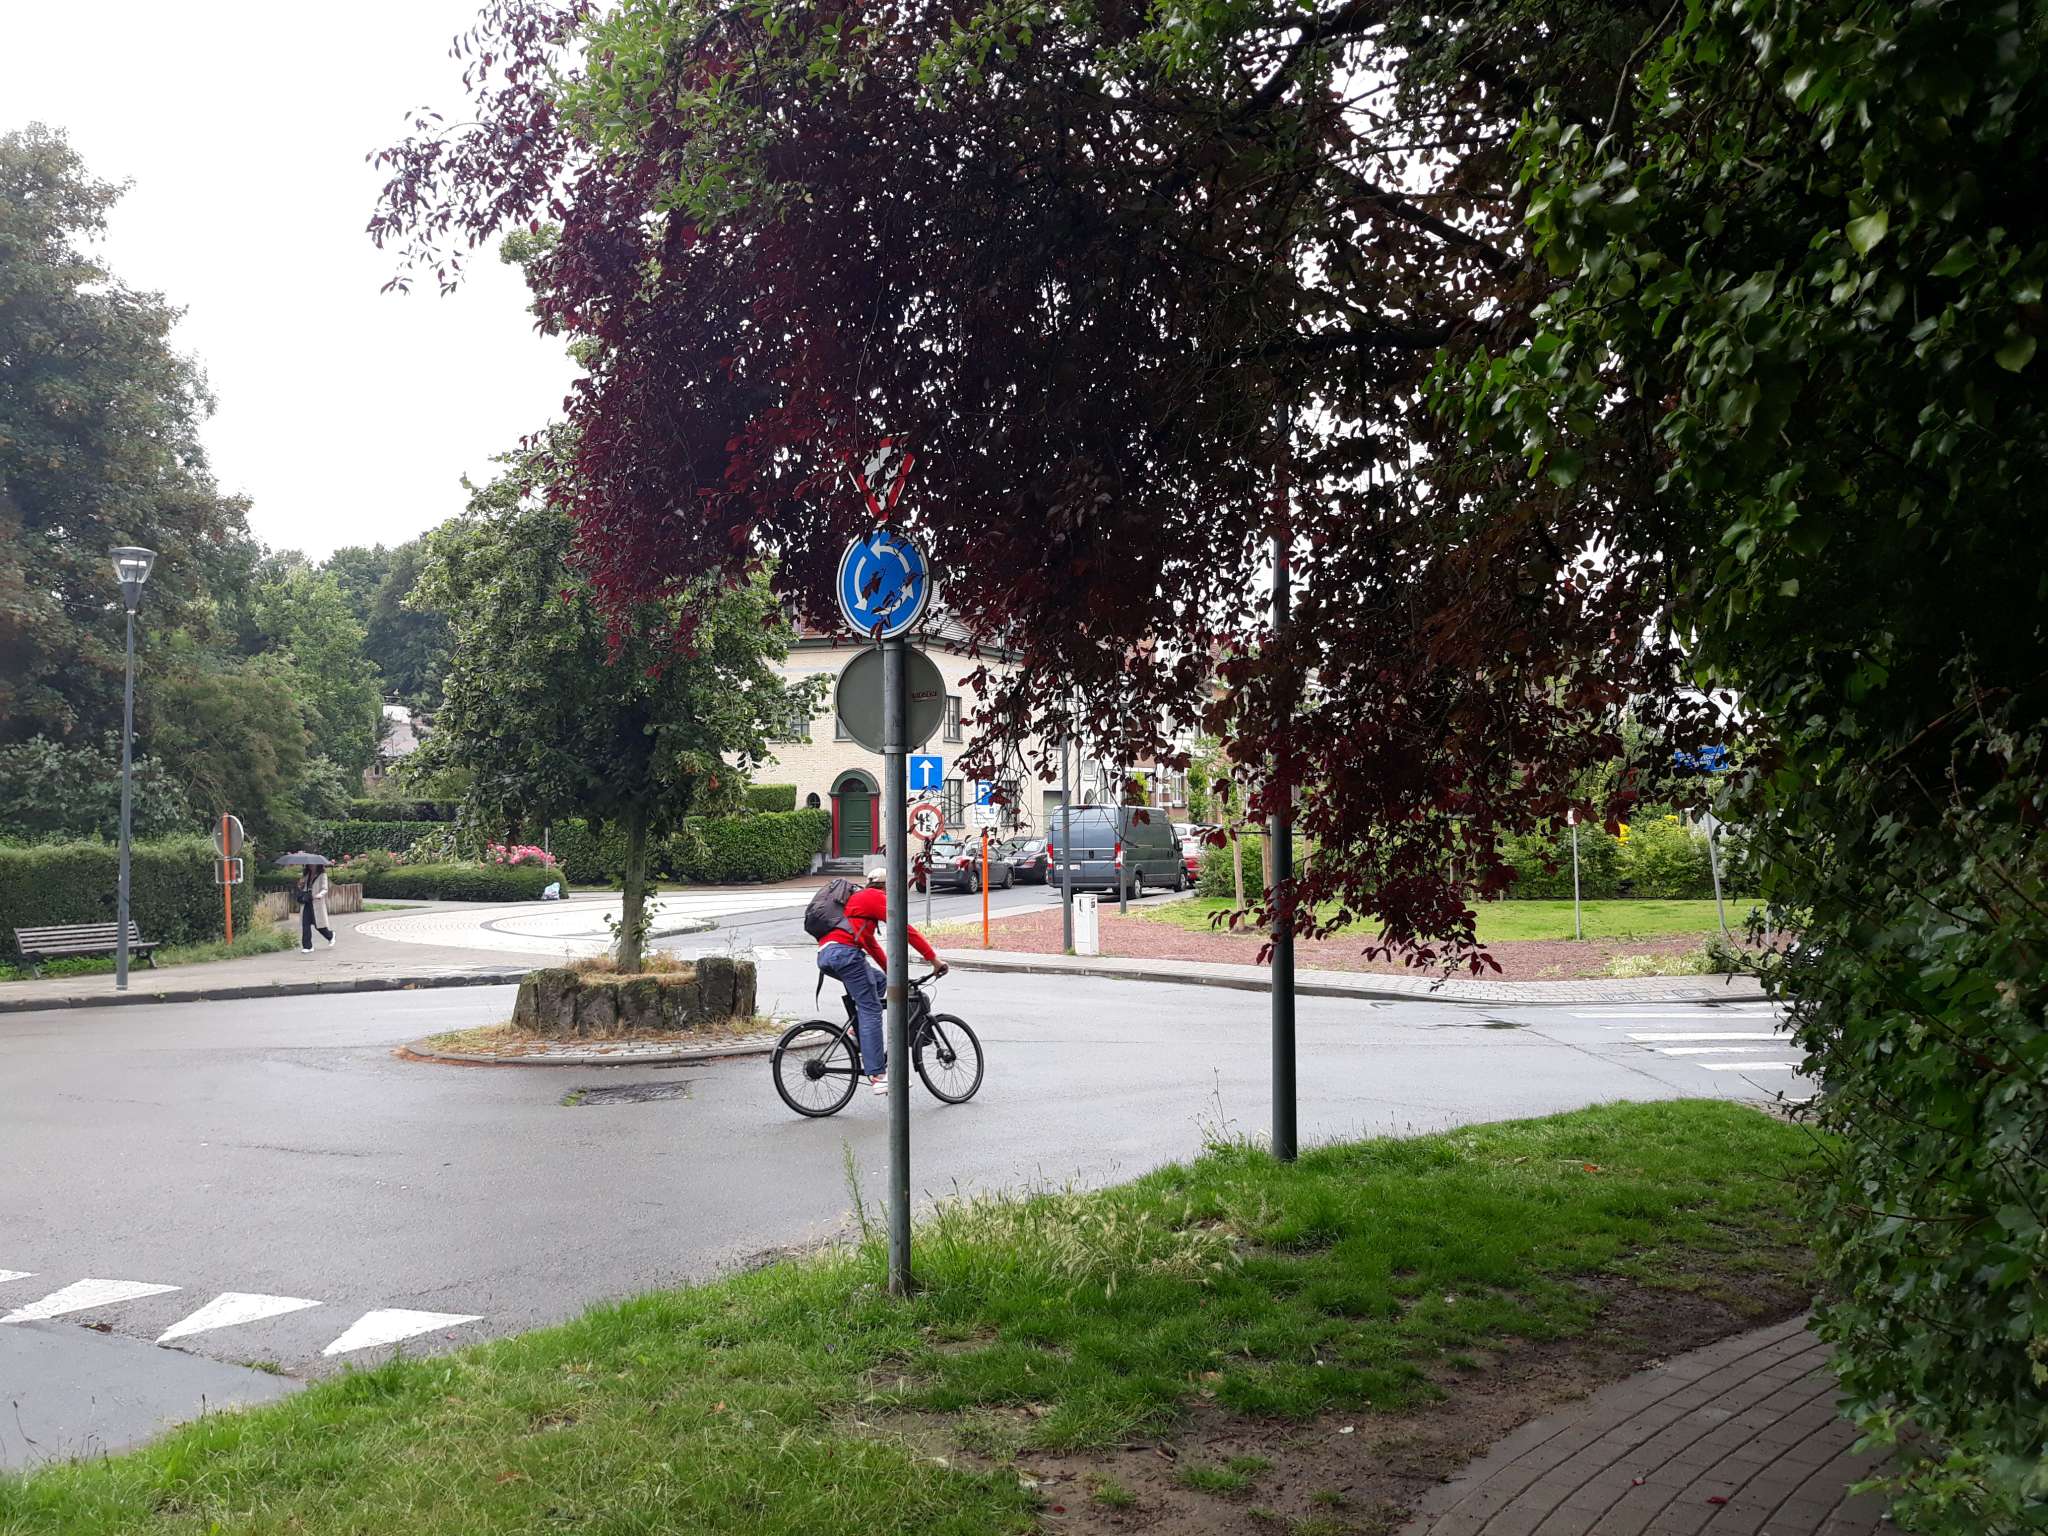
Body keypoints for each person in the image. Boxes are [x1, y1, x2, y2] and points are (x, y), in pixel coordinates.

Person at [815, 869, 946, 1095]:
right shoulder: (875, 897)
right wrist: (933, 959)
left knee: (880, 981)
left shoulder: (858, 900)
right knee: (871, 1009)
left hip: (827, 955)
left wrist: (894, 975)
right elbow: (905, 930)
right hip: (845, 955)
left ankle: (856, 1033)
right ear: (889, 886)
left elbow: (871, 945)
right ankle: (878, 1075)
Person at [300, 862, 335, 953]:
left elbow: (325, 888)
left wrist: (320, 895)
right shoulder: (306, 875)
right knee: (305, 924)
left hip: (316, 902)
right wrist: (301, 884)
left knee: (318, 925)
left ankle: (330, 935)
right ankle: (307, 946)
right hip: (307, 901)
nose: (311, 865)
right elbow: (303, 888)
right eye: (309, 864)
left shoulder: (322, 875)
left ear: (318, 864)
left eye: (313, 864)